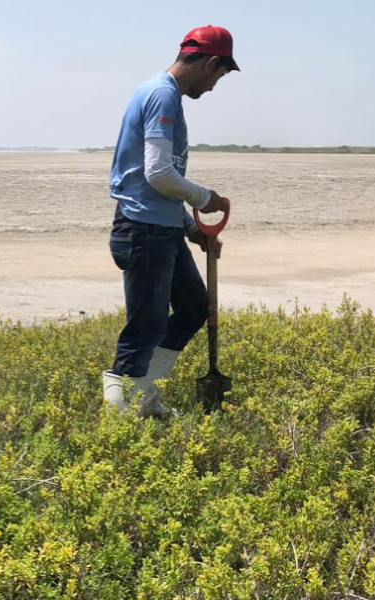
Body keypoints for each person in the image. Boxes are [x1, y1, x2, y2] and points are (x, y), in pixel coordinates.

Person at [102, 26, 239, 417]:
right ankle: (119, 419)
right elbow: (159, 174)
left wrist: (193, 229)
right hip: (143, 231)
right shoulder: (162, 94)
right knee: (145, 326)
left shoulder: (166, 96)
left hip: (161, 226)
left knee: (194, 308)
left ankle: (145, 397)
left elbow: (159, 184)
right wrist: (205, 198)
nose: (213, 88)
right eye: (218, 77)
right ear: (211, 63)